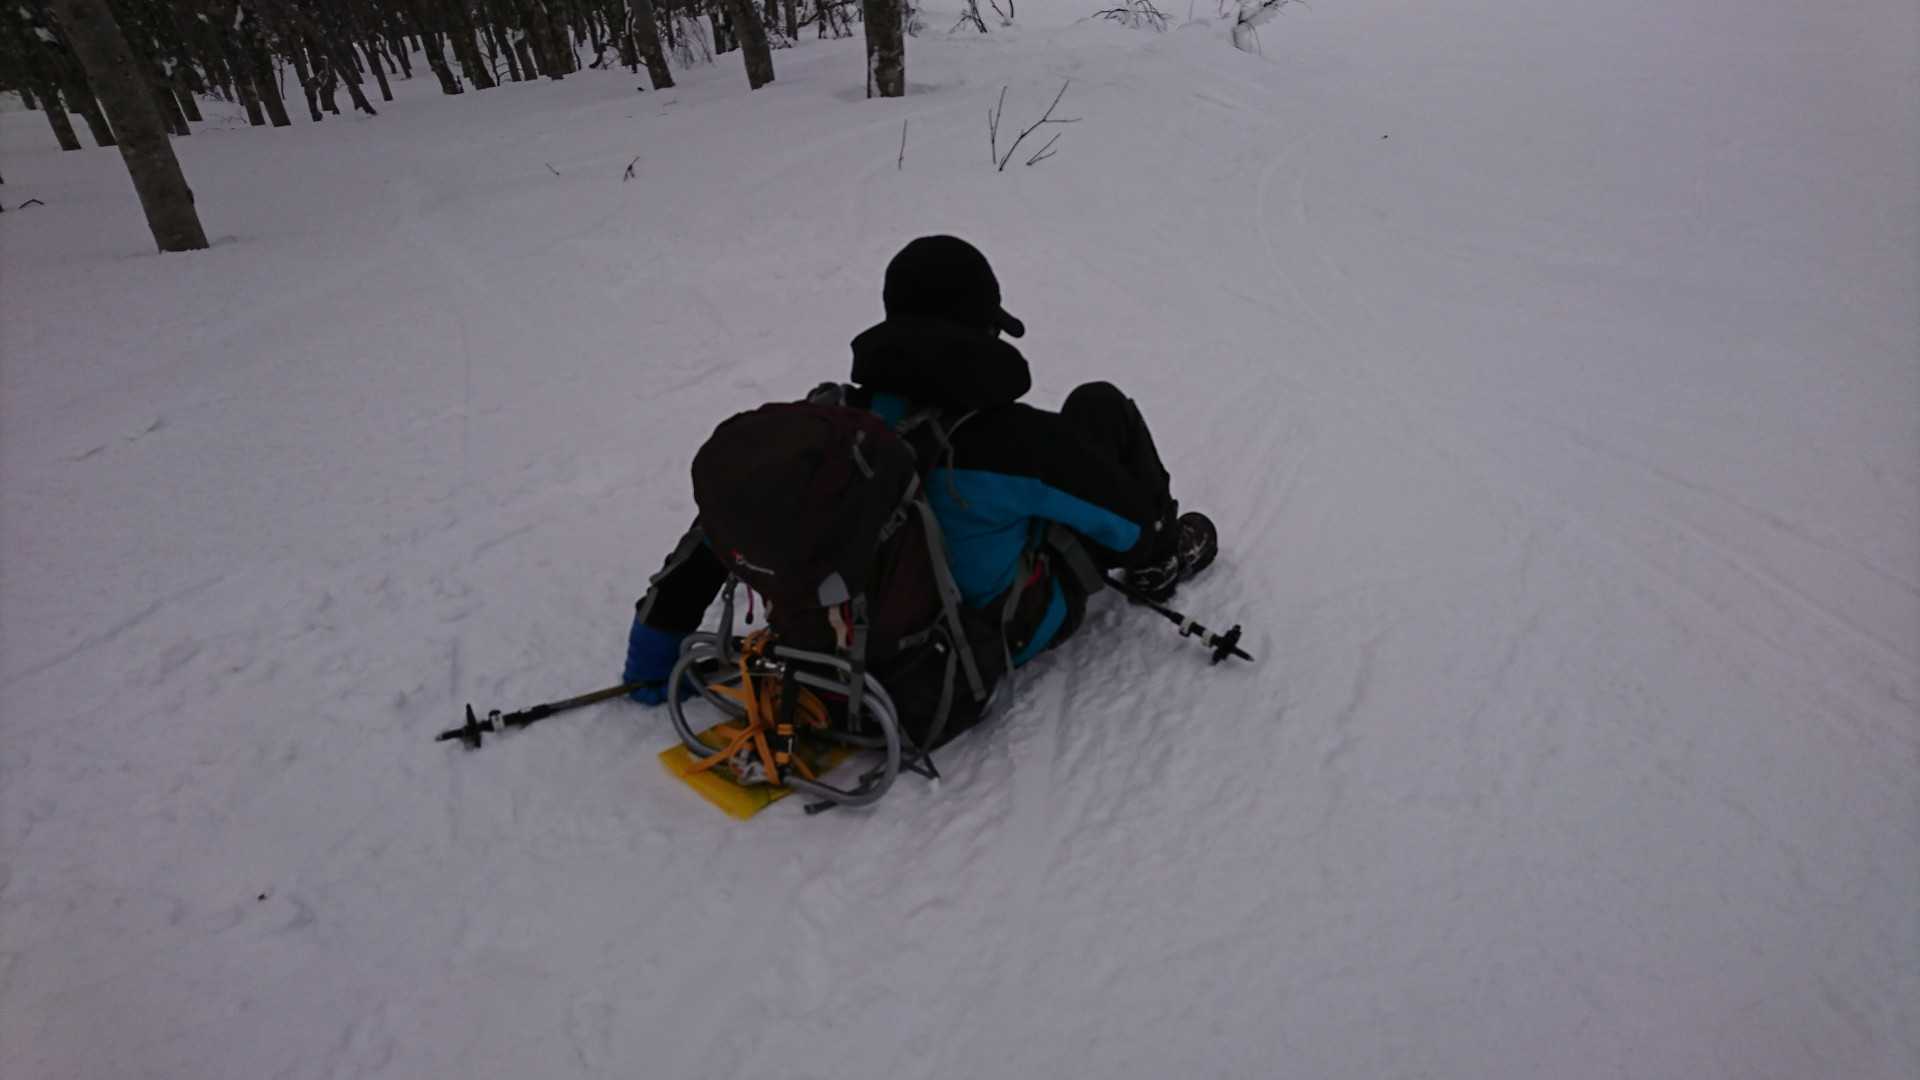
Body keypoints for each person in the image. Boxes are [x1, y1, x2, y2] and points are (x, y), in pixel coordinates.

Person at [623, 235, 1216, 706]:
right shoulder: (1019, 440)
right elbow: (1128, 529)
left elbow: (717, 531)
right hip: (965, 650)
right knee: (1098, 405)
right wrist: (1149, 536)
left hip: (840, 642)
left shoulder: (836, 426)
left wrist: (652, 656)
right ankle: (1165, 564)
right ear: (983, 328)